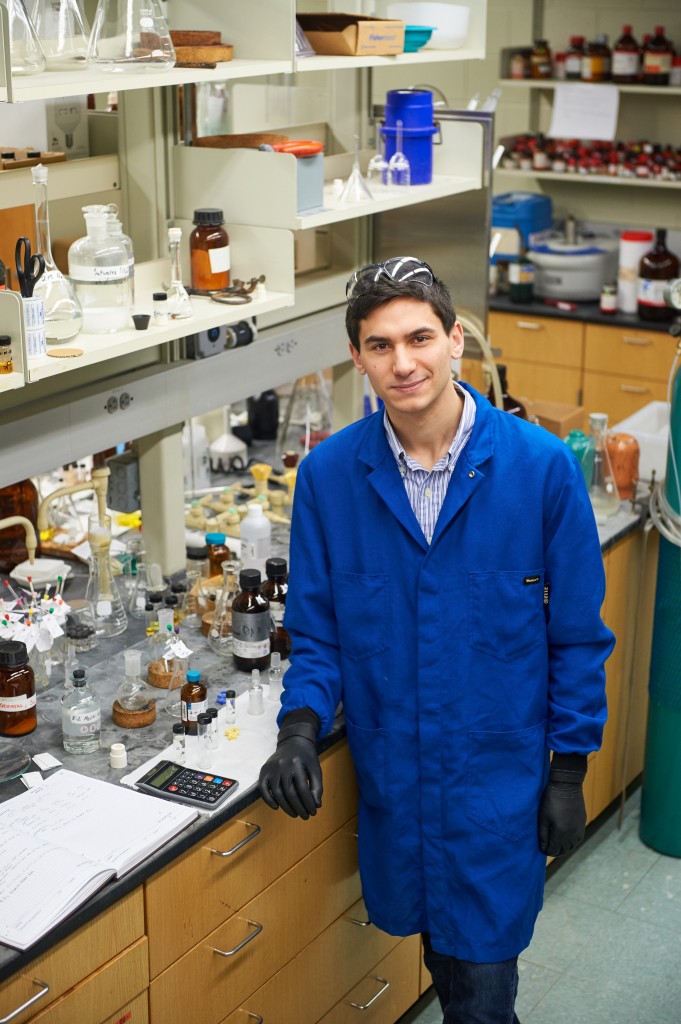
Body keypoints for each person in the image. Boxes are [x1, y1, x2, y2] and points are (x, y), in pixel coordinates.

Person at [259, 257, 614, 1024]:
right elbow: (317, 631)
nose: (403, 361)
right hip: (398, 787)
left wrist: (567, 770)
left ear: (455, 339)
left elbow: (577, 639)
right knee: (447, 970)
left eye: (419, 337)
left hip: (496, 789)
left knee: (482, 998)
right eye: (379, 345)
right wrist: (297, 727)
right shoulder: (327, 477)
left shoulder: (540, 470)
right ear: (357, 357)